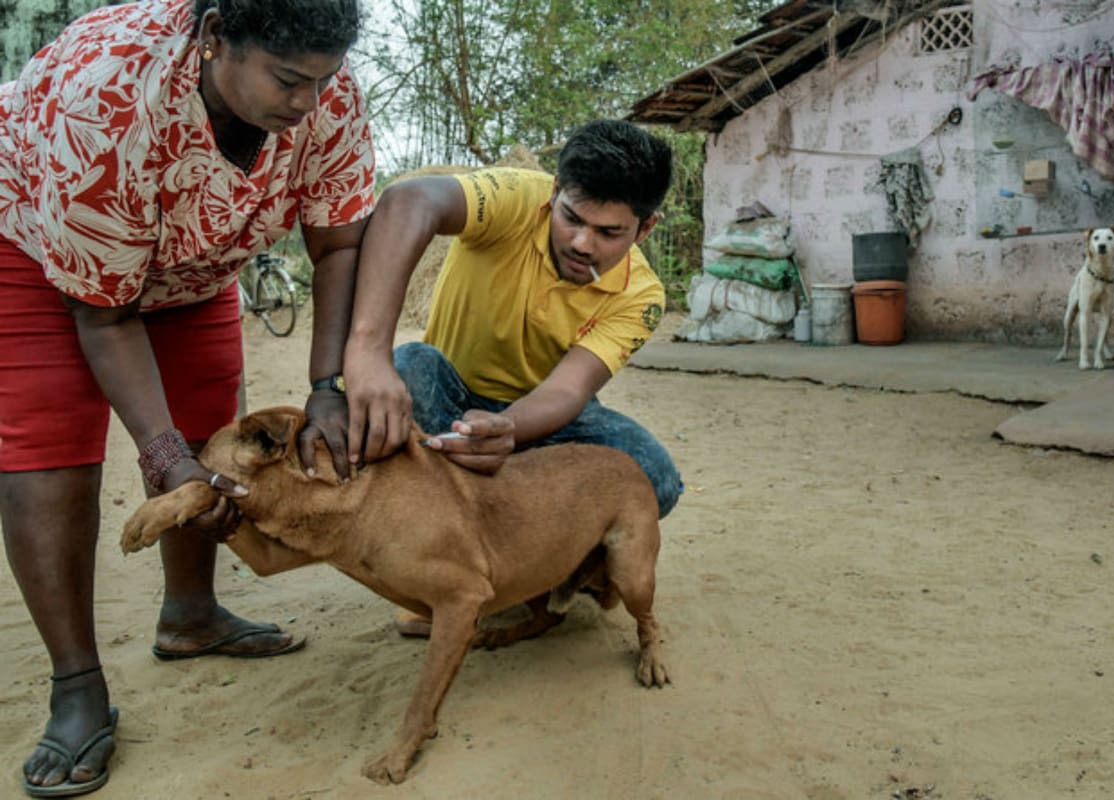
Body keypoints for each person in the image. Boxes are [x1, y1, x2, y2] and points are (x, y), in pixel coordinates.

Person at [0, 0, 384, 795]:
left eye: (324, 79)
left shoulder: (325, 89)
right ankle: (77, 687)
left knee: (214, 432)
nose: (308, 102)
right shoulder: (103, 99)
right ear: (214, 38)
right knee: (50, 447)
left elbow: (339, 239)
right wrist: (162, 454)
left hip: (197, 260)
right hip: (40, 246)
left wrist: (326, 386)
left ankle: (190, 615)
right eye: (287, 80)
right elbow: (103, 317)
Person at [341, 119, 684, 525]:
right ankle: (472, 516)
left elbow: (568, 390)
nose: (582, 244)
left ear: (645, 228)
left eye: (608, 232)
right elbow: (408, 201)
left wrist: (509, 428)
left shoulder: (642, 296)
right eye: (572, 218)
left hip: (540, 423)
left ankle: (513, 532)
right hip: (446, 402)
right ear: (555, 192)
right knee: (409, 364)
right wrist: (367, 351)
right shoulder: (517, 198)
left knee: (653, 478)